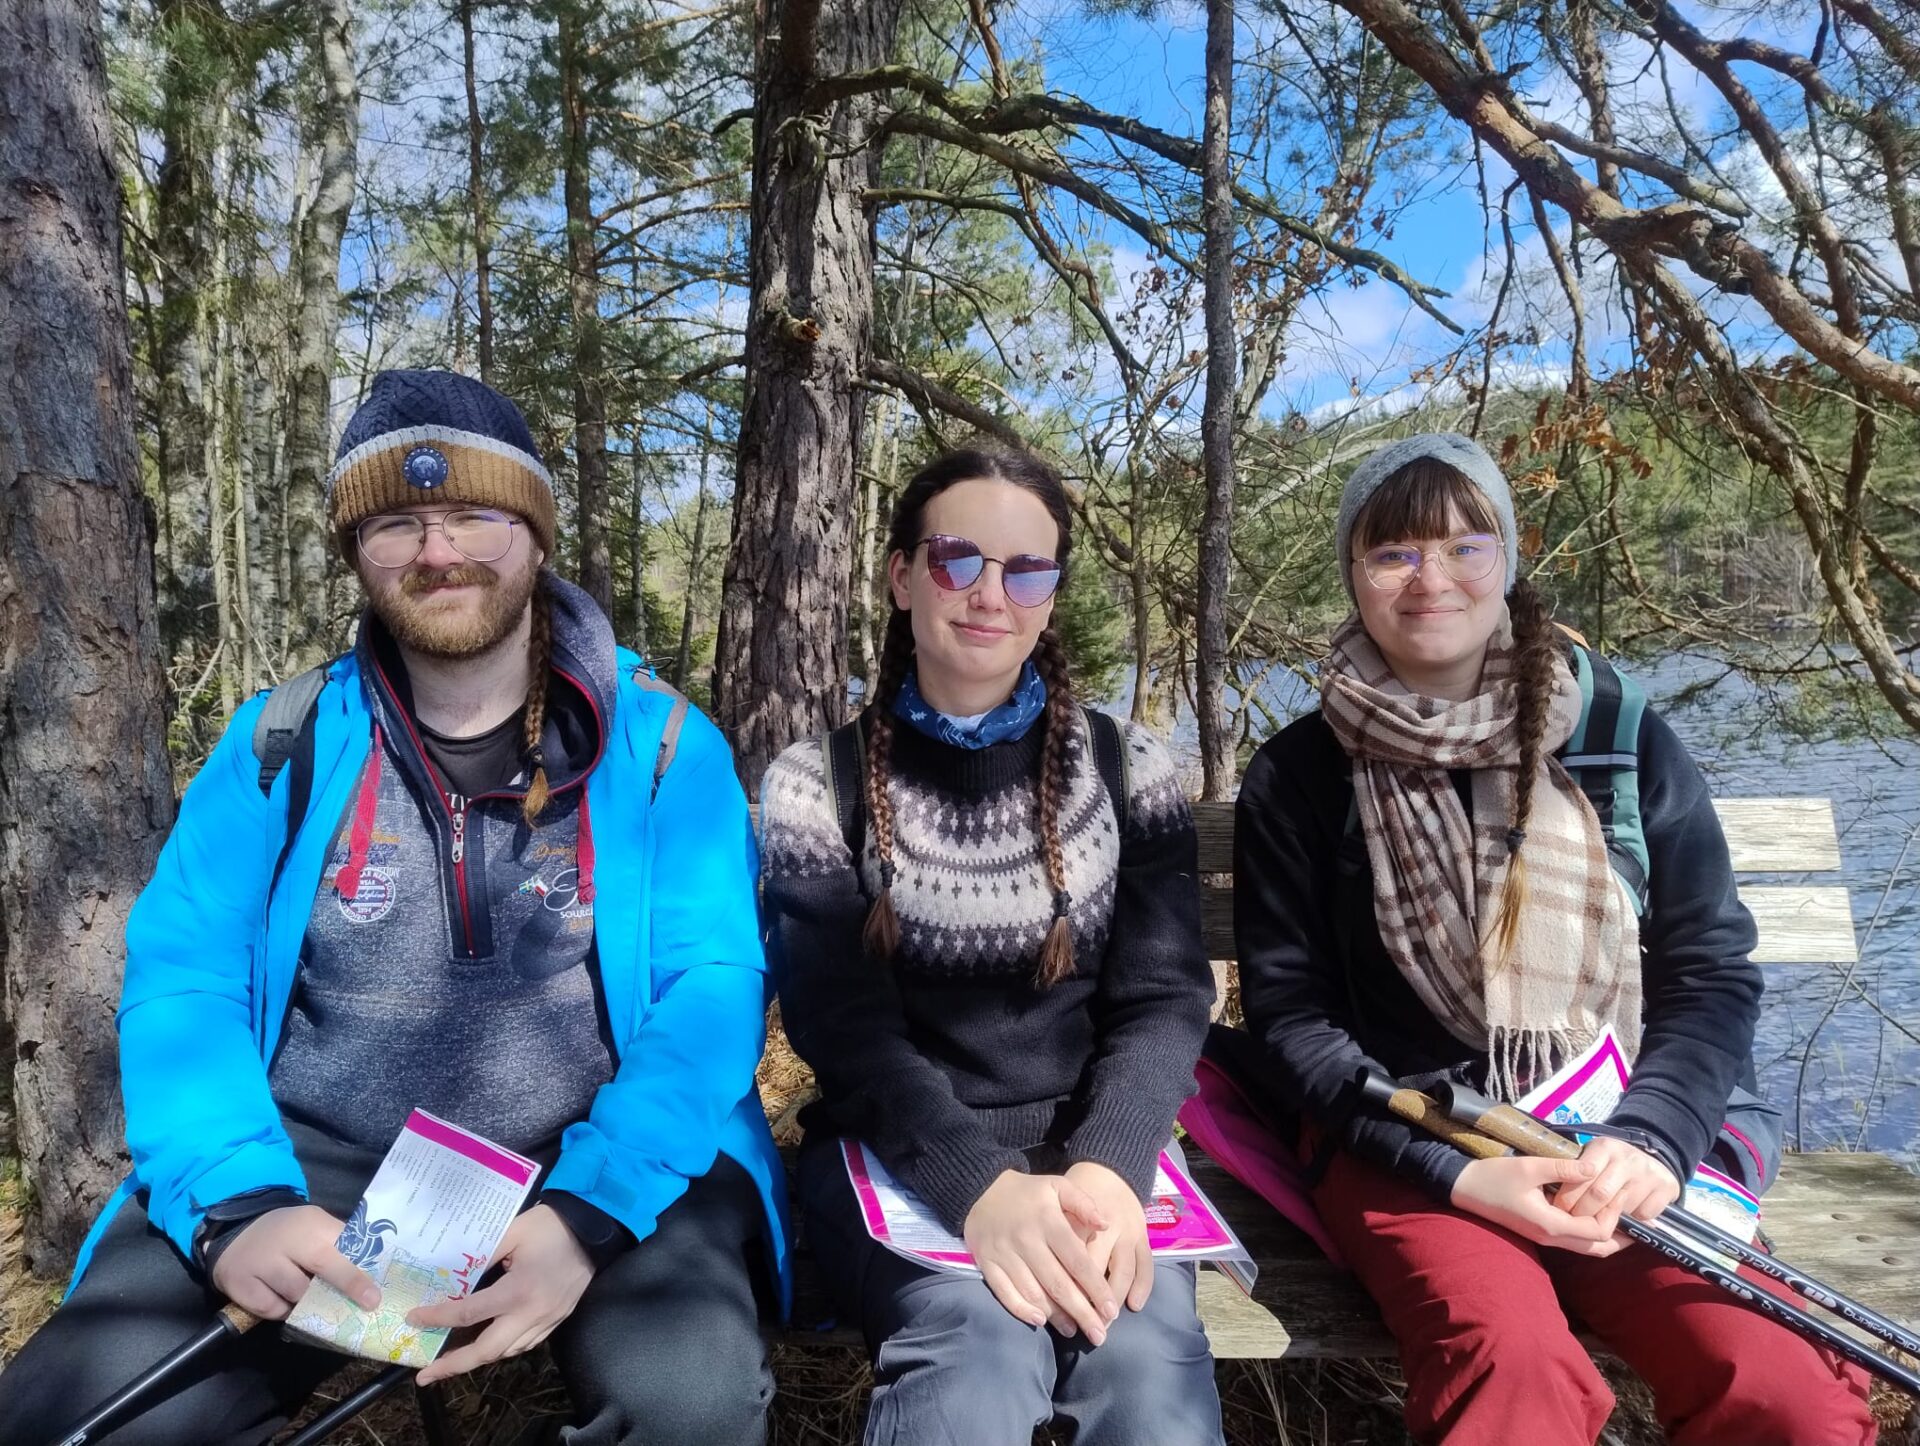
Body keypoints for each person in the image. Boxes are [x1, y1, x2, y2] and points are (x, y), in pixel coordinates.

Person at [0, 370, 788, 1445]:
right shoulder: (279, 744)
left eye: (475, 516)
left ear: (535, 534)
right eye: (396, 525)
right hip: (318, 1151)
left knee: (690, 1410)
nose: (438, 551)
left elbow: (713, 988)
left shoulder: (660, 750)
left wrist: (590, 1214)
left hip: (598, 1146)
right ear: (356, 553)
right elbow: (185, 977)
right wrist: (239, 1204)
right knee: (65, 1417)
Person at [1231, 432, 1875, 1445]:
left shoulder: (1618, 736)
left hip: (1619, 1132)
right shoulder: (1302, 773)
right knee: (1510, 1369)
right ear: (1353, 573)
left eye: (1465, 546)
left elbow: (1709, 973)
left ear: (1509, 557)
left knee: (1779, 1386)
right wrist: (1462, 1174)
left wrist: (1651, 1139)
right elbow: (1293, 1022)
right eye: (1393, 552)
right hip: (1415, 1142)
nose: (1430, 578)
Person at [759, 446, 1224, 1446]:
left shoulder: (1126, 767)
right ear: (901, 576)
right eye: (957, 558)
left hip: (1097, 1153)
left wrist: (1109, 1166)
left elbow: (1164, 996)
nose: (989, 595)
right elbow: (843, 1027)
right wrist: (978, 1189)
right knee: (972, 1353)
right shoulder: (816, 782)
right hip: (900, 1157)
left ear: (1051, 598)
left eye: (1027, 571)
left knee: (1146, 1368)